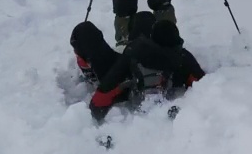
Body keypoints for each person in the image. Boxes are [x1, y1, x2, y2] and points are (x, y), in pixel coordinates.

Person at [70, 13, 206, 122]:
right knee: (145, 17)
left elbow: (99, 102)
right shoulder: (182, 57)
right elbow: (204, 85)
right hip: (151, 69)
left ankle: (90, 69)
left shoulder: (133, 53)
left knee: (84, 32)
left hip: (128, 79)